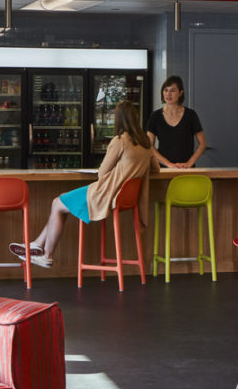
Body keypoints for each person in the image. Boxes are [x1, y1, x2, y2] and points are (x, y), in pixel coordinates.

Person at [13, 100, 156, 267]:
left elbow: (102, 172)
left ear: (119, 119)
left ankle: (47, 256)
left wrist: (120, 170)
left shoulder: (120, 140)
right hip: (124, 199)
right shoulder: (146, 142)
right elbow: (155, 169)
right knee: (61, 204)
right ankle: (37, 244)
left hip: (106, 194)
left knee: (57, 203)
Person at [150, 75, 207, 170]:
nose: (168, 94)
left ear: (181, 93)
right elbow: (149, 146)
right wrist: (169, 164)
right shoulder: (155, 116)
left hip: (187, 169)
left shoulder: (191, 115)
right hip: (163, 169)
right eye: (166, 90)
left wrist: (189, 163)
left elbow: (202, 144)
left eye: (172, 90)